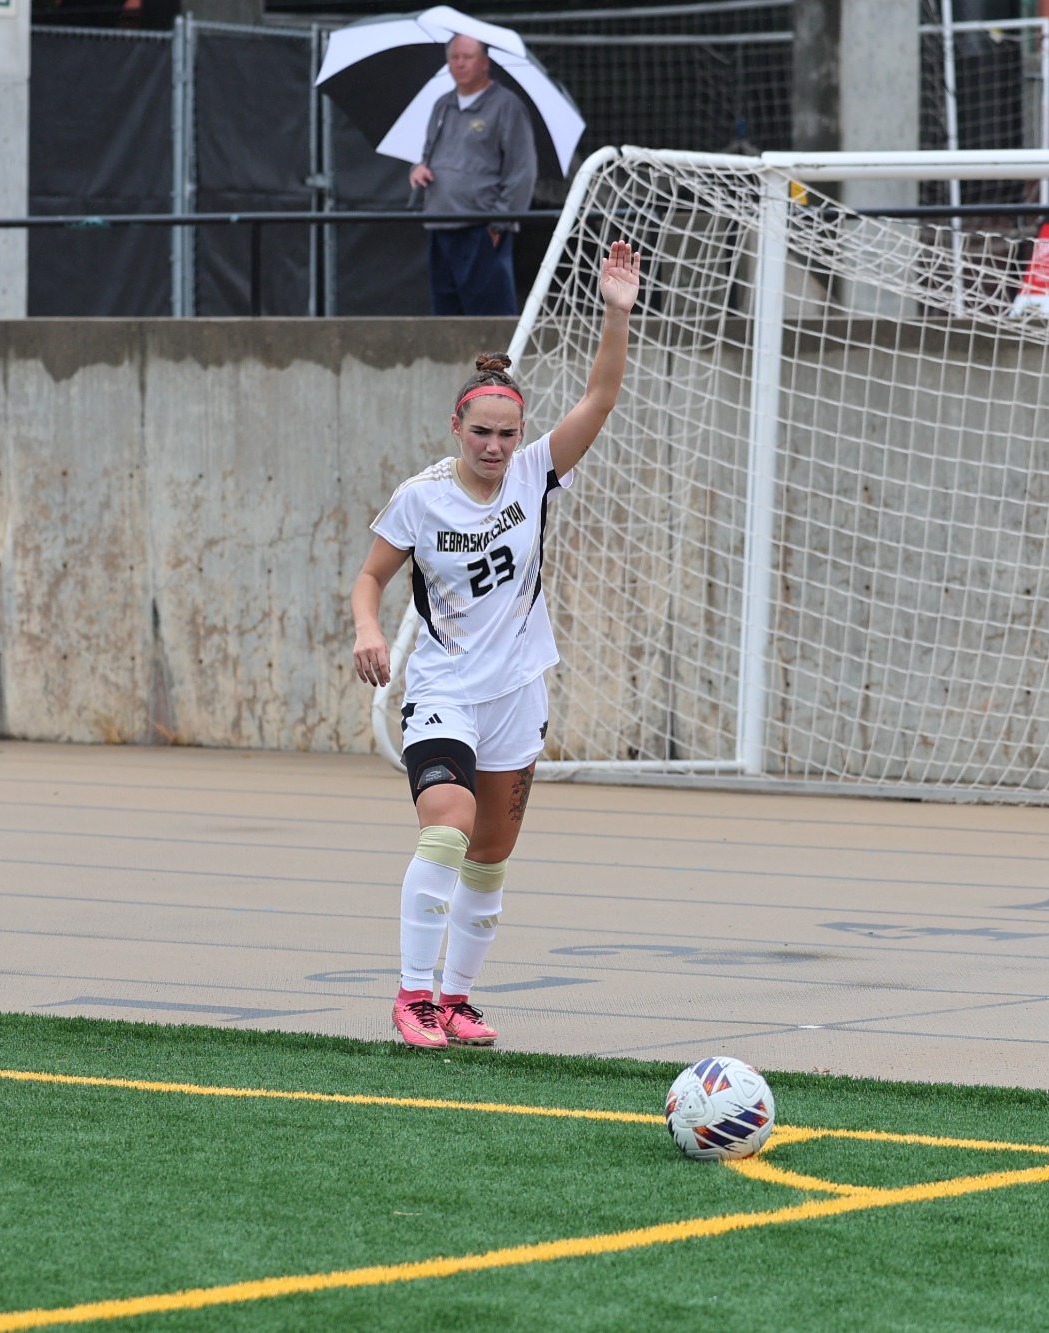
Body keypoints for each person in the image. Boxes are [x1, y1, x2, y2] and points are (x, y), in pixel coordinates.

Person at [350, 240, 641, 1049]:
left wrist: (615, 312)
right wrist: (369, 629)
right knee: (444, 828)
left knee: (488, 857)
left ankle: (457, 1000)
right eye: (482, 431)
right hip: (443, 690)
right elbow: (368, 579)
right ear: (457, 426)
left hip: (519, 691)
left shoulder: (537, 473)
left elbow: (601, 395)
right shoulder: (421, 499)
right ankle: (411, 996)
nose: (495, 446)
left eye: (508, 433)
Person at [409, 34, 538, 317]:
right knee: (445, 316)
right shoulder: (441, 105)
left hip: (481, 229)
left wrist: (498, 224)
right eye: (454, 58)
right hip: (439, 224)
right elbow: (429, 155)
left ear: (484, 62)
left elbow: (522, 171)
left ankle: (495, 365)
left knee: (488, 317)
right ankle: (451, 364)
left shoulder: (507, 106)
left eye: (467, 57)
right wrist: (418, 169)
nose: (460, 64)